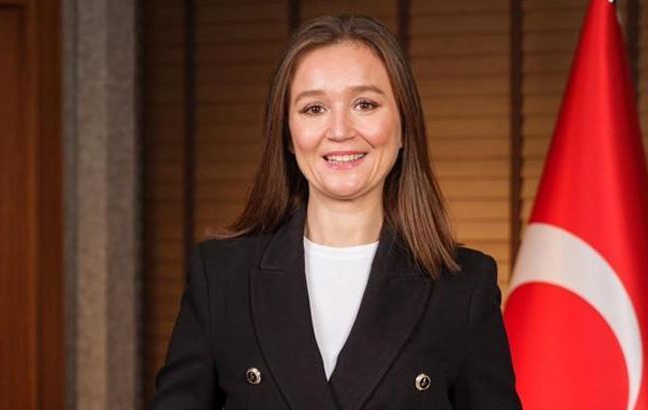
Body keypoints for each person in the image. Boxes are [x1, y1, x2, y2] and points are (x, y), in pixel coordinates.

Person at [149, 14, 521, 410]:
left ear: (404, 126)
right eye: (314, 109)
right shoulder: (221, 278)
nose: (340, 130)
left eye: (365, 104)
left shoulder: (463, 287)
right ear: (287, 134)